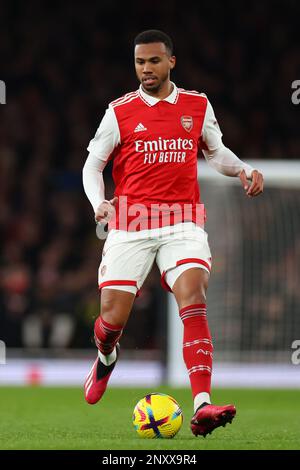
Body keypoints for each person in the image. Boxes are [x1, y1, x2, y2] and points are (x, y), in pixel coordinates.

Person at [82, 29, 264, 437]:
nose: (146, 69)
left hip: (183, 222)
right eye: (140, 63)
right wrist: (99, 202)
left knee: (193, 297)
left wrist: (243, 170)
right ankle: (106, 357)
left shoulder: (196, 105)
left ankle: (202, 404)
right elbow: (92, 166)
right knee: (112, 321)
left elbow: (216, 153)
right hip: (131, 224)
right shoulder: (119, 111)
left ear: (171, 62)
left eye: (153, 61)